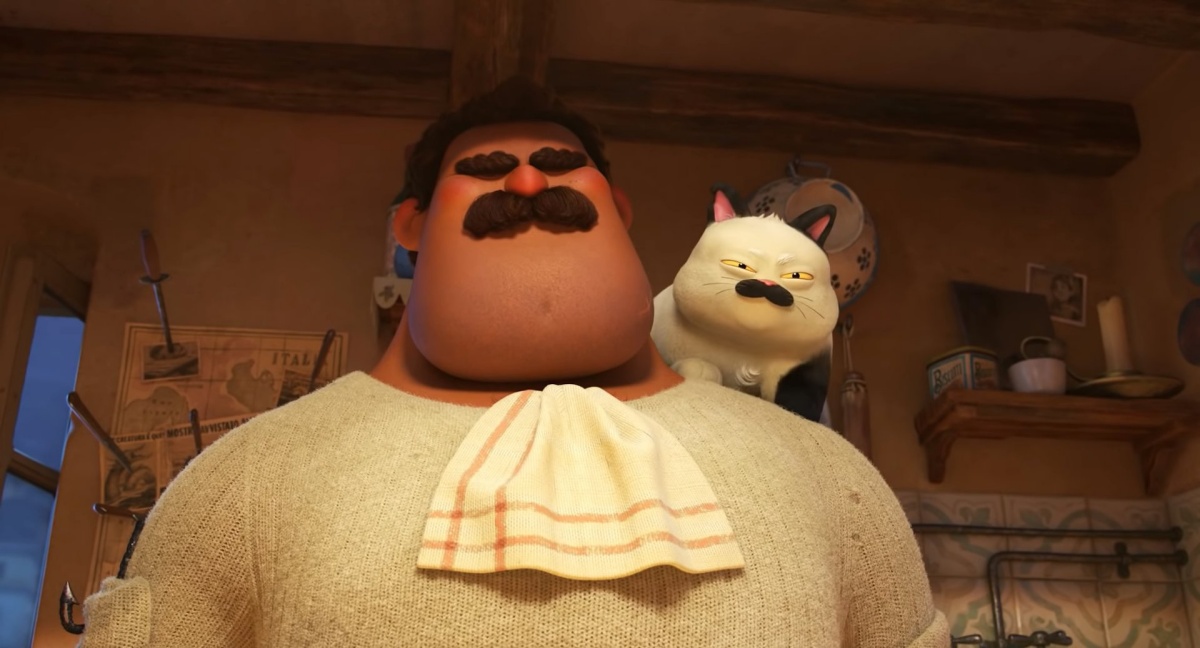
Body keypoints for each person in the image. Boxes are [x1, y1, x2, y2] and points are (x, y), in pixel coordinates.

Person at [78, 77, 948, 646]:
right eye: (489, 169)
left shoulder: (827, 477)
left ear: (620, 207)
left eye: (559, 166)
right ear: (411, 225)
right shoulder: (248, 481)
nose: (529, 185)